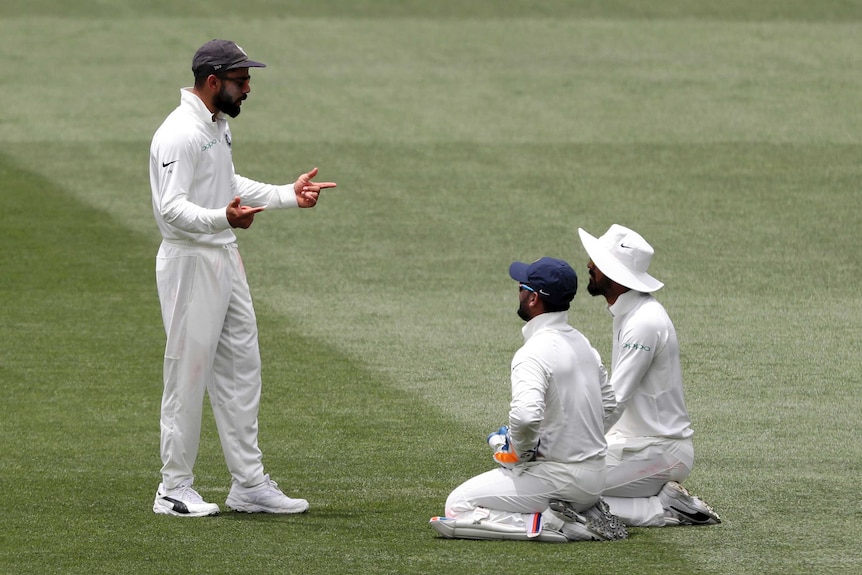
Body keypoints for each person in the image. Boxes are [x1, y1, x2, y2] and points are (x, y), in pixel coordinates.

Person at [148, 39, 336, 517]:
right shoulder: (179, 134)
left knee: (241, 369)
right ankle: (173, 488)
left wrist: (287, 195)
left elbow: (227, 185)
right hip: (191, 261)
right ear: (214, 82)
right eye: (241, 80)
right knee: (187, 374)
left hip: (223, 256)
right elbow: (172, 209)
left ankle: (248, 483)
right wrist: (222, 219)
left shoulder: (217, 126)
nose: (248, 88)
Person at [429, 257, 627, 542]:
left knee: (458, 505)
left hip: (561, 480)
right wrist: (569, 441)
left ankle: (555, 521)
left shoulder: (533, 352)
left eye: (521, 287)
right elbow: (609, 406)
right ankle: (578, 511)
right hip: (596, 478)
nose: (518, 292)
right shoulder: (583, 343)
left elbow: (525, 417)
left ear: (533, 298)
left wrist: (520, 454)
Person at [577, 224, 720, 527]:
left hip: (660, 453)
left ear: (616, 274)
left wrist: (570, 441)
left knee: (565, 488)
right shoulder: (632, 313)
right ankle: (665, 501)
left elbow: (614, 401)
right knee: (559, 481)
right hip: (637, 446)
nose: (589, 265)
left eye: (598, 263)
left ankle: (662, 509)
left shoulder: (643, 322)